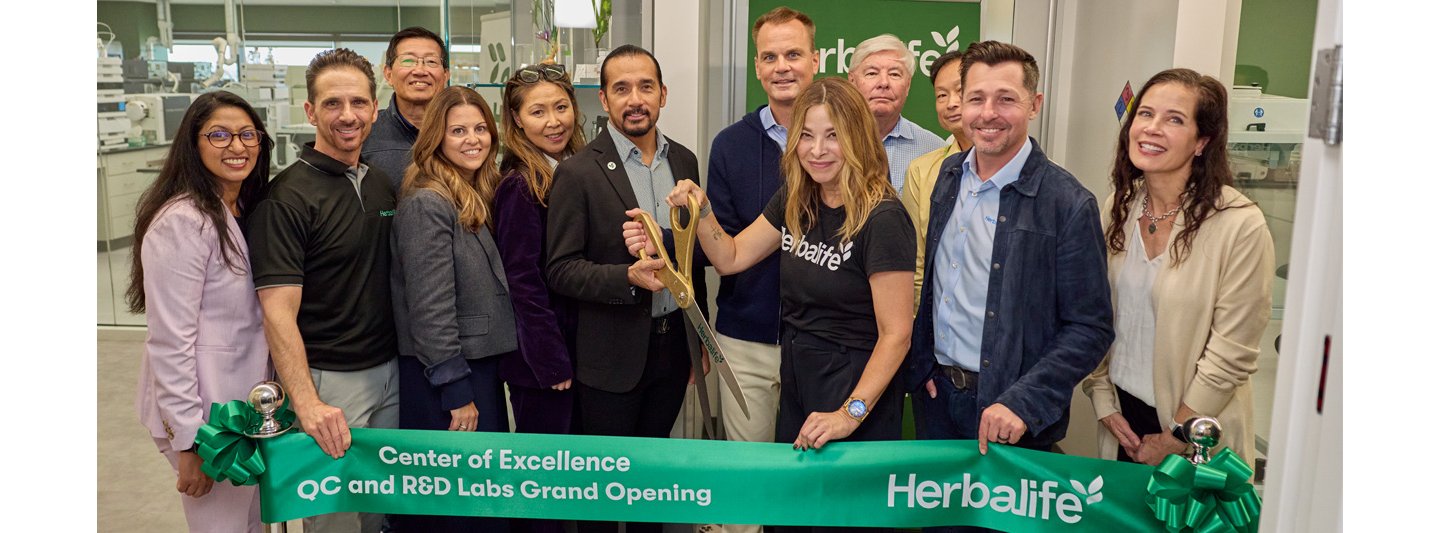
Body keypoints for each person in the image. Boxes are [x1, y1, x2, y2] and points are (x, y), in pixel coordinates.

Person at [627, 77, 914, 460]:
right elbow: (731, 258)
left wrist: (850, 414)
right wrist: (704, 210)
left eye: (833, 136)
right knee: (793, 511)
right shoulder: (798, 198)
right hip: (800, 378)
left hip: (854, 385)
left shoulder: (883, 218)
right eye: (807, 136)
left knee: (841, 516)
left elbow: (897, 334)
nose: (817, 150)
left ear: (858, 138)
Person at [903, 41, 1113, 474]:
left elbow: (1090, 328)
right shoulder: (947, 178)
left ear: (1034, 104)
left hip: (1011, 415)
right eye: (976, 98)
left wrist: (1024, 402)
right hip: (938, 400)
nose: (988, 113)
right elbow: (934, 285)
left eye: (1006, 99)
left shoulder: (1068, 203)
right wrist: (922, 364)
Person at [544, 44, 706, 533]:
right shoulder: (578, 172)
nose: (635, 99)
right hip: (609, 358)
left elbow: (691, 260)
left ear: (663, 94)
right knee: (604, 493)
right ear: (604, 99)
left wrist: (695, 347)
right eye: (621, 89)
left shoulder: (686, 160)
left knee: (649, 489)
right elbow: (561, 269)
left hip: (672, 350)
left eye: (646, 87)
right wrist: (625, 277)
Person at [1082, 68, 1274, 467]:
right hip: (1122, 418)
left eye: (1174, 119)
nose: (1151, 129)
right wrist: (1102, 400)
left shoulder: (1238, 223)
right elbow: (1092, 312)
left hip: (1199, 431)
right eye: (1145, 114)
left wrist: (1178, 435)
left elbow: (1232, 353)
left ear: (1202, 141)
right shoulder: (1119, 205)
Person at [246, 48, 398, 533]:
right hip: (331, 383)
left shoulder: (380, 184)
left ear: (376, 109)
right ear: (310, 111)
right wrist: (307, 402)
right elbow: (277, 313)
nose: (348, 115)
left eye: (358, 102)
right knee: (335, 520)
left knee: (380, 513)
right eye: (332, 103)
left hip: (392, 373)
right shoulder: (286, 198)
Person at [129, 91, 274, 533]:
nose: (237, 146)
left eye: (247, 134)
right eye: (220, 135)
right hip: (207, 417)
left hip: (242, 406)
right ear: (193, 145)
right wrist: (190, 443)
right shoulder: (182, 221)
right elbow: (169, 343)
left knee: (251, 523)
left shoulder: (240, 207)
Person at [388, 85, 516, 532]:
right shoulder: (427, 202)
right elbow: (430, 309)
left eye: (480, 128)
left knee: (480, 500)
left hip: (475, 369)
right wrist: (456, 392)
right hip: (447, 378)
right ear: (435, 138)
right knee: (456, 510)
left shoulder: (468, 191)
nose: (473, 139)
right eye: (458, 130)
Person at [703, 6, 818, 482]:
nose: (782, 66)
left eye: (793, 53)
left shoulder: (847, 145)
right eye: (769, 56)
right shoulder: (730, 145)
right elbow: (725, 249)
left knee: (809, 475)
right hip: (746, 338)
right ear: (756, 67)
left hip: (821, 342)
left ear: (816, 59)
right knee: (748, 475)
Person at [494, 63, 587, 444]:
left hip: (579, 351)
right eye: (538, 112)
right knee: (549, 473)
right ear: (516, 120)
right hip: (545, 364)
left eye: (561, 107)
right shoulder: (520, 184)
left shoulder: (576, 169)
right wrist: (550, 361)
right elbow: (522, 281)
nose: (554, 122)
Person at [900, 49, 973, 310]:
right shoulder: (922, 170)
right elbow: (915, 261)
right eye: (941, 95)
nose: (951, 103)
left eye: (960, 91)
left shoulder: (1036, 174)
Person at [846, 34, 946, 196]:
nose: (883, 83)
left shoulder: (934, 150)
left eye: (894, 74)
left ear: (907, 86)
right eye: (872, 73)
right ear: (852, 81)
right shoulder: (829, 142)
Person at [363, 26, 450, 191]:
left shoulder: (460, 132)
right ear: (388, 74)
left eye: (431, 61)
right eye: (408, 61)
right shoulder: (366, 132)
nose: (420, 70)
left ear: (445, 75)